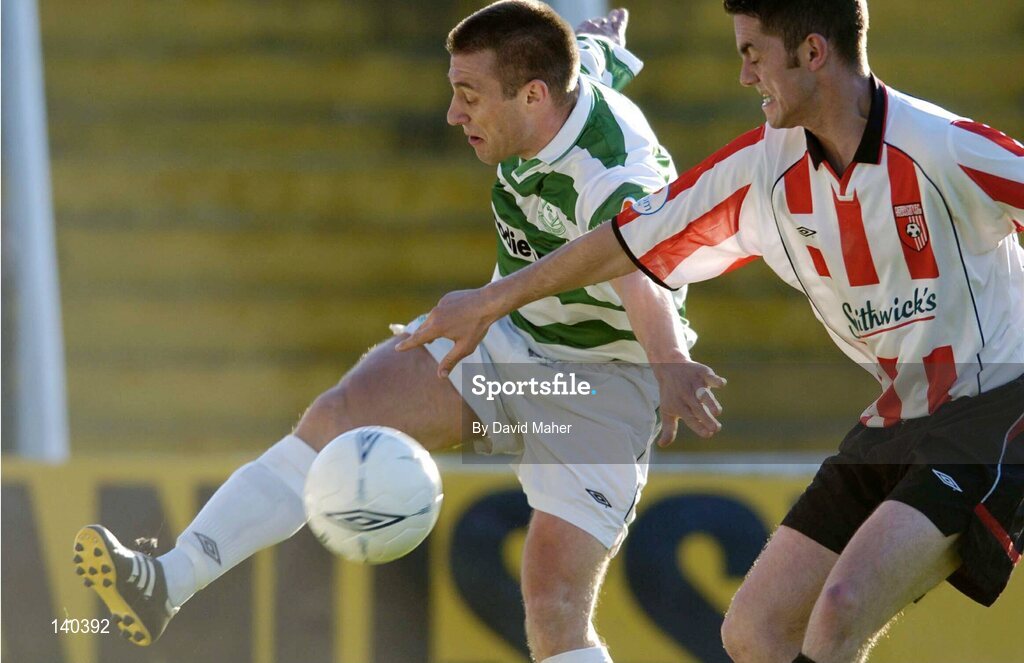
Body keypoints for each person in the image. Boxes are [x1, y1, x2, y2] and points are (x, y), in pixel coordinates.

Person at [73, 3, 726, 661]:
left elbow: (638, 273)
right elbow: (587, 57)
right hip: (510, 340)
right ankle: (167, 581)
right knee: (340, 415)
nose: (452, 114)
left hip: (600, 385)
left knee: (552, 608)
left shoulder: (612, 174)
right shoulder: (557, 85)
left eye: (469, 96)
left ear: (530, 96)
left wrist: (669, 361)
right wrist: (601, 39)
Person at [398, 1, 1024, 661]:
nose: (744, 76)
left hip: (996, 404)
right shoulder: (763, 168)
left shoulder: (942, 146)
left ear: (813, 53)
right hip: (900, 411)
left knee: (839, 611)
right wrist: (493, 299)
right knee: (753, 630)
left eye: (754, 55)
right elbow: (625, 242)